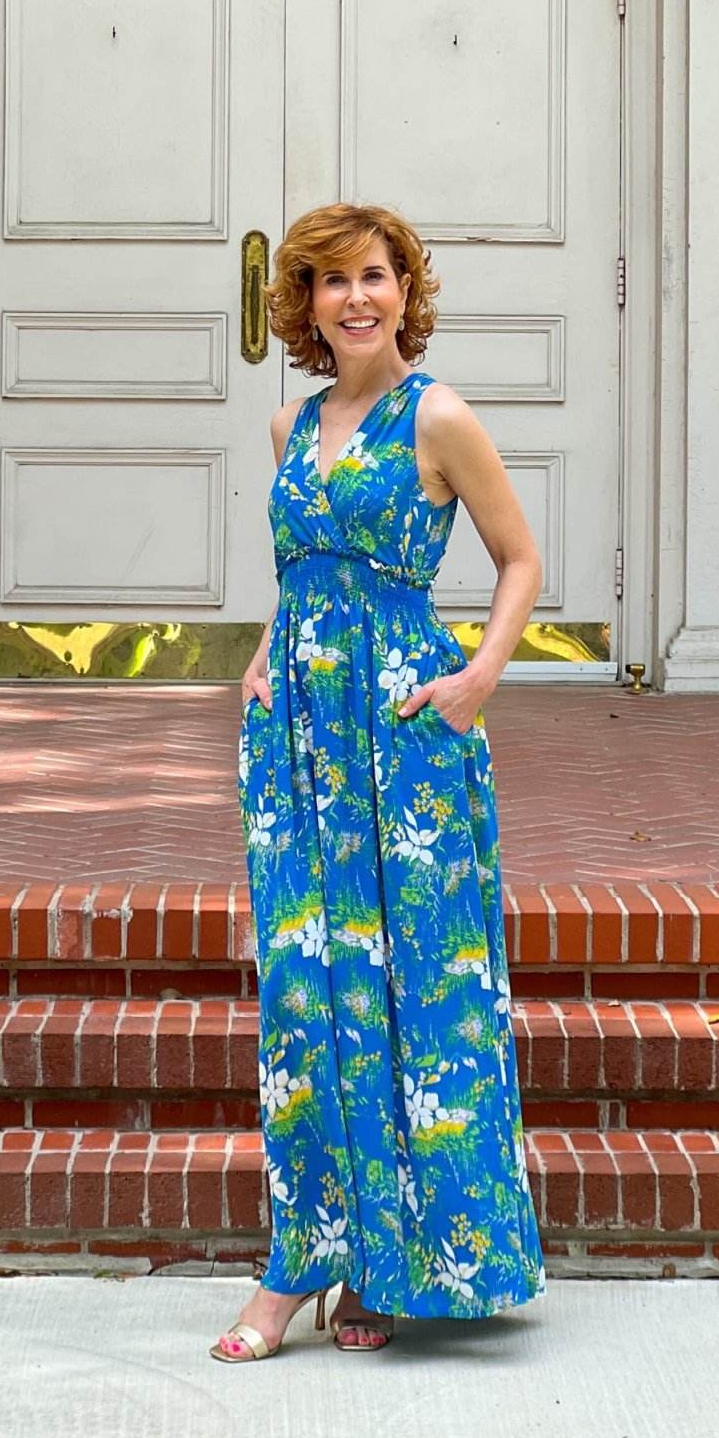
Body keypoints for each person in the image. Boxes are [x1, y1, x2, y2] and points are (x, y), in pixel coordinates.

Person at [210, 202, 547, 1364]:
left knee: (410, 992)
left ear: (407, 289)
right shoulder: (289, 426)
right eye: (332, 281)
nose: (357, 297)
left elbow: (519, 559)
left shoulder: (436, 415)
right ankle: (315, 1251)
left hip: (404, 738)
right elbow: (306, 578)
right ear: (301, 303)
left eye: (376, 275)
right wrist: (262, 657)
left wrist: (477, 679)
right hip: (299, 738)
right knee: (310, 990)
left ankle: (385, 1261)